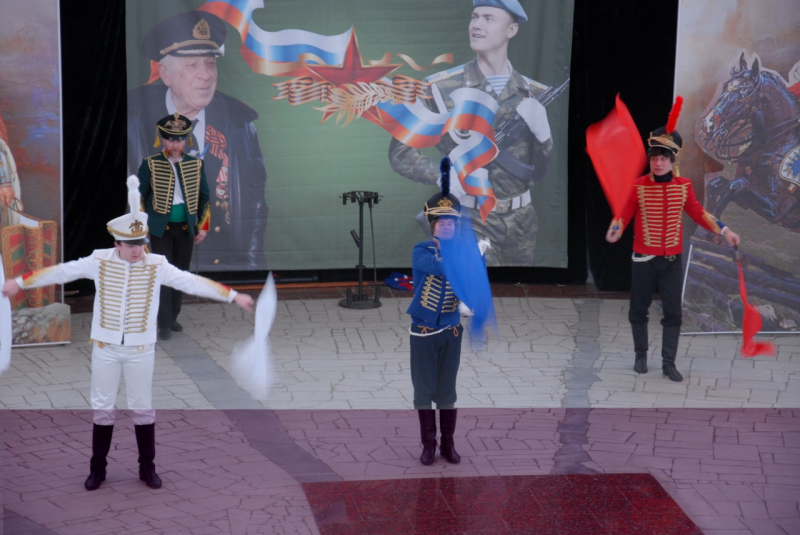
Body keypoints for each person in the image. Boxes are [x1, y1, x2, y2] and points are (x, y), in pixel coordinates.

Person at [2, 177, 255, 490]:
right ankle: (98, 469)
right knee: (102, 408)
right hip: (105, 348)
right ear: (117, 244)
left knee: (142, 407)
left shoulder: (157, 264)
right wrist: (20, 282)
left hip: (140, 350)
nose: (138, 250)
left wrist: (233, 296)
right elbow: (62, 271)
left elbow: (192, 282)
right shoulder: (98, 261)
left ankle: (147, 467)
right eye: (131, 245)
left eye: (141, 243)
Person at [389, 0, 552, 266]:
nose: (476, 25)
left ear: (511, 30)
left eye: (488, 18)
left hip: (522, 223)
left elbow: (539, 171)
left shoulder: (533, 93)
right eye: (474, 17)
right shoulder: (440, 88)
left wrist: (544, 137)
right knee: (477, 287)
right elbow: (400, 153)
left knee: (515, 289)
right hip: (468, 217)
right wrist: (441, 175)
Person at [127, 10, 268, 271]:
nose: (206, 75)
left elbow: (254, 205)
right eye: (192, 65)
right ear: (165, 73)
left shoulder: (239, 123)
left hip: (223, 264)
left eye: (210, 63)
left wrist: (250, 266)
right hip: (154, 260)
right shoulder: (134, 118)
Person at [606, 121, 740, 382]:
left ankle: (669, 363)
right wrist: (615, 228)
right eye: (655, 158)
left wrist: (725, 230)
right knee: (638, 310)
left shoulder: (683, 186)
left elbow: (700, 214)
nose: (658, 163)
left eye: (663, 159)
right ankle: (640, 356)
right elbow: (623, 214)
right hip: (644, 260)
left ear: (671, 161)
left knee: (673, 313)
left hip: (671, 261)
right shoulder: (638, 186)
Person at [406, 170, 466, 466]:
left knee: (447, 390)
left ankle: (448, 444)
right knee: (423, 390)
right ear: (432, 226)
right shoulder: (422, 250)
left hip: (451, 331)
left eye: (451, 222)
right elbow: (441, 268)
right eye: (442, 222)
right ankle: (428, 444)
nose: (447, 226)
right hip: (424, 331)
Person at [138, 112, 210, 340]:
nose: (175, 144)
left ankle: (173, 317)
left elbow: (204, 197)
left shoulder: (196, 164)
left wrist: (203, 226)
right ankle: (163, 322)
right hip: (160, 230)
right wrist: (142, 227)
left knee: (180, 274)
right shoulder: (150, 163)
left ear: (186, 140)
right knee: (162, 274)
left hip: (186, 228)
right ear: (163, 140)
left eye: (179, 140)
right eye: (170, 139)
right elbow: (140, 197)